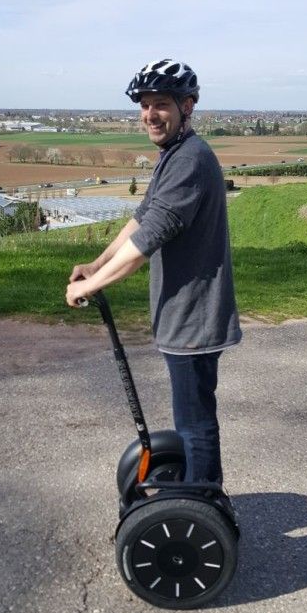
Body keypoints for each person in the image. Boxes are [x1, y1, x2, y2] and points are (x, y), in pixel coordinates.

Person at [66, 58, 241, 484]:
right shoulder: (175, 155)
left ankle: (202, 506)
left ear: (188, 106)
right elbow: (144, 217)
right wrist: (97, 263)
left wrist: (94, 284)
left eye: (160, 103)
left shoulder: (190, 160)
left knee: (196, 425)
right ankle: (202, 503)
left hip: (194, 318)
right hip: (182, 317)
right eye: (144, 105)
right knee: (192, 421)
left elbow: (146, 243)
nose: (150, 115)